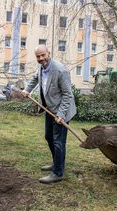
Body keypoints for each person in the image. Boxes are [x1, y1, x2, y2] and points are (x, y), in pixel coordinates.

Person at [22, 45, 76, 184]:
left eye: (43, 55)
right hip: (49, 109)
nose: (41, 59)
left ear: (48, 53)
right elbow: (35, 78)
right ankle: (56, 162)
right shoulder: (41, 68)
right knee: (49, 137)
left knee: (58, 141)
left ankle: (58, 173)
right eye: (38, 56)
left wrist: (61, 114)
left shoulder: (60, 70)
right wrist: (27, 89)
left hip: (61, 110)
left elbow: (67, 95)